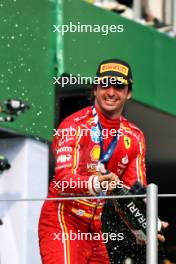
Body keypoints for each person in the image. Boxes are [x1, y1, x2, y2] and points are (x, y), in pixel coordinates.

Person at [38, 58, 166, 264]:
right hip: (64, 221)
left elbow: (134, 193)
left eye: (119, 87)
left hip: (95, 227)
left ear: (129, 93)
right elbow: (63, 181)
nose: (111, 92)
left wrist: (147, 225)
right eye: (105, 85)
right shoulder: (74, 126)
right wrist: (97, 183)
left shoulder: (135, 136)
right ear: (95, 89)